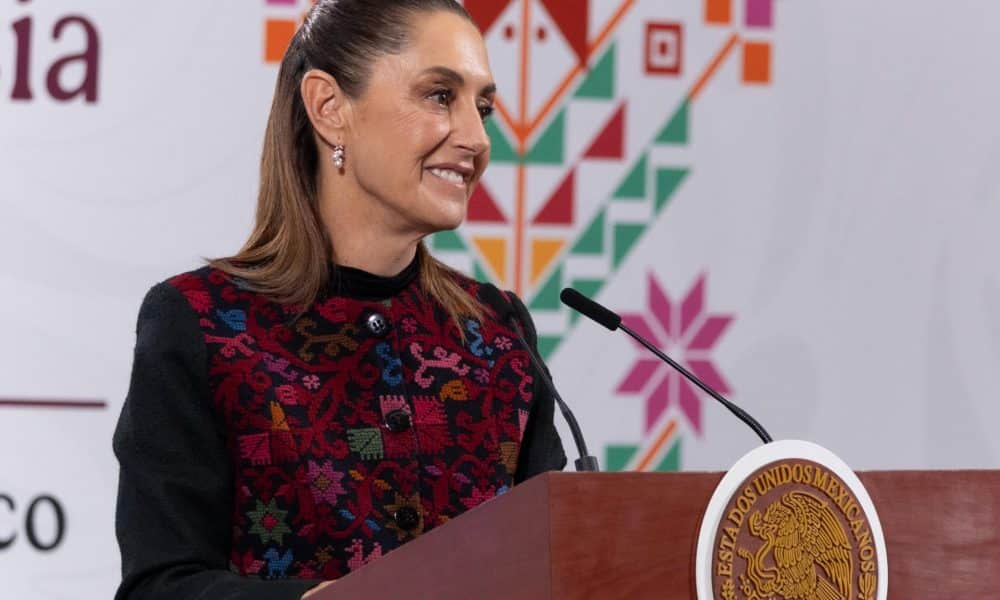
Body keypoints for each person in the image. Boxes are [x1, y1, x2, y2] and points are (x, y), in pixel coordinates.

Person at [111, 1, 567, 598]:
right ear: (329, 107)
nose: (477, 138)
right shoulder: (201, 324)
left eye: (483, 107)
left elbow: (563, 564)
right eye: (439, 96)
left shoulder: (498, 332)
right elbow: (161, 587)